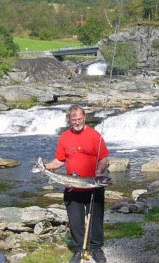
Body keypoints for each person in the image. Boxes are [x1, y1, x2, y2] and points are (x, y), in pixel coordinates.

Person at [44, 104, 109, 263]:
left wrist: (99, 171)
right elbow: (59, 160)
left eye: (80, 119)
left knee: (95, 218)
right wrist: (45, 167)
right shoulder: (64, 137)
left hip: (93, 184)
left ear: (84, 118)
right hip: (72, 185)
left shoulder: (95, 135)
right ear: (69, 120)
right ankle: (79, 249)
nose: (77, 122)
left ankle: (96, 248)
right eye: (74, 120)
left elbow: (104, 159)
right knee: (75, 220)